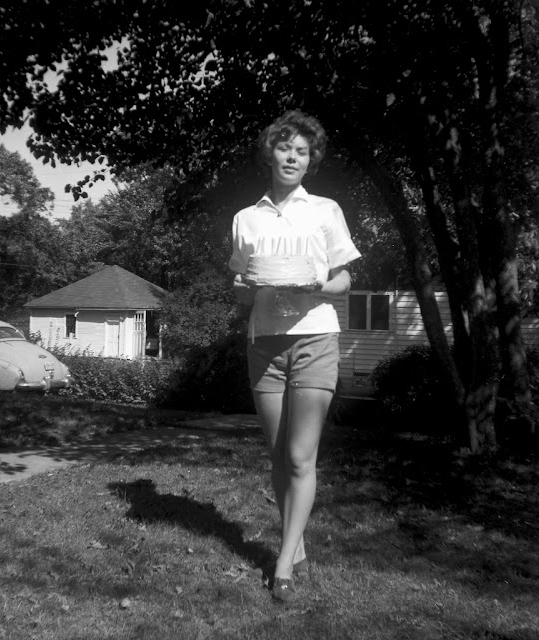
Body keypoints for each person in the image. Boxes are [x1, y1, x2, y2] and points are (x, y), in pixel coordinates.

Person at [229, 110, 361, 603]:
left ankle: (283, 563)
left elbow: (345, 279)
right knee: (278, 455)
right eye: (284, 147)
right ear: (270, 153)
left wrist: (316, 285)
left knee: (301, 456)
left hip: (315, 339)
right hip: (264, 341)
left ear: (310, 161)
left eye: (302, 151)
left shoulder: (326, 210)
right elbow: (240, 285)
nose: (292, 157)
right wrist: (247, 285)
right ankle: (296, 542)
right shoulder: (246, 218)